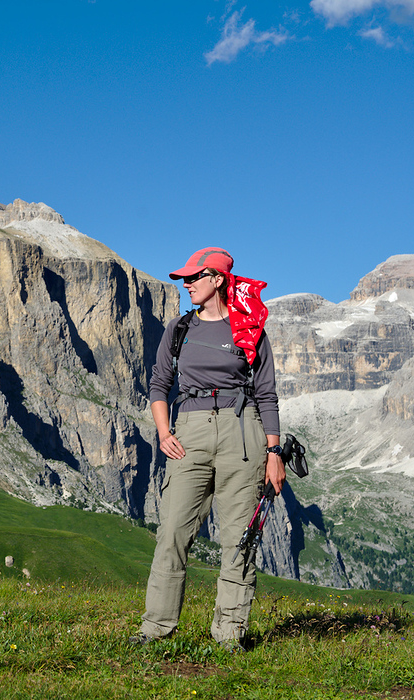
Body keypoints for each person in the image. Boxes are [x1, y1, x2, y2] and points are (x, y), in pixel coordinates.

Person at [132, 246, 284, 650]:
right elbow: (159, 384)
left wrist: (274, 455)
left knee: (239, 538)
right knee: (172, 533)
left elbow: (267, 394)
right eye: (184, 279)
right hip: (191, 432)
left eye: (194, 278)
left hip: (243, 433)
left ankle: (229, 634)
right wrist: (165, 433)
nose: (186, 285)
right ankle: (155, 629)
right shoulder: (179, 329)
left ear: (217, 279)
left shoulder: (250, 329)